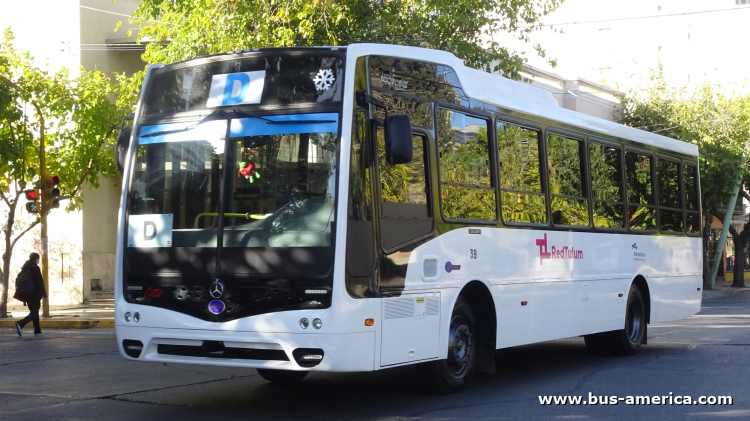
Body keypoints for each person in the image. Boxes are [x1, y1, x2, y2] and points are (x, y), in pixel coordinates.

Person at [15, 252, 47, 337]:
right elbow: (40, 282)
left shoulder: (25, 268)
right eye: (38, 259)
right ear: (36, 259)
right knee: (34, 313)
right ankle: (20, 323)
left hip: (27, 294)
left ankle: (37, 330)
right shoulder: (35, 268)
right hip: (35, 294)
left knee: (34, 311)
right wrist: (45, 294)